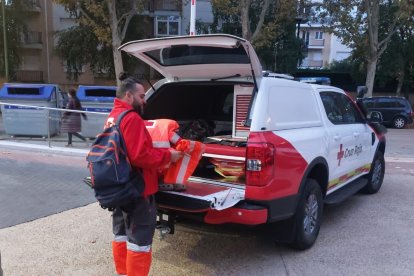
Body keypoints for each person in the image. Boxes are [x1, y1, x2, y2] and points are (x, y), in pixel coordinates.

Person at [106, 73, 183, 276]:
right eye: (141, 96)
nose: (145, 100)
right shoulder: (131, 119)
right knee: (139, 242)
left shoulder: (113, 116)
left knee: (121, 234)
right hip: (138, 189)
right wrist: (169, 156)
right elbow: (140, 155)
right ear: (129, 96)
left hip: (120, 187)